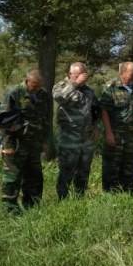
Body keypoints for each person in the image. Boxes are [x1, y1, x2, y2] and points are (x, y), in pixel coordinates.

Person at [0, 69, 51, 210]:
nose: (37, 88)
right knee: (12, 177)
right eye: (34, 85)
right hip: (16, 143)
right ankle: (9, 208)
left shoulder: (43, 95)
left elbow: (45, 118)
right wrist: (6, 145)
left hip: (34, 143)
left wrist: (45, 141)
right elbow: (3, 121)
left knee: (34, 176)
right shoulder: (14, 93)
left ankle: (32, 206)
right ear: (27, 81)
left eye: (39, 85)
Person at [53, 62, 100, 199]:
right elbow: (59, 97)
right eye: (79, 74)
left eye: (84, 74)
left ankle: (80, 198)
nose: (83, 77)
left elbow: (95, 109)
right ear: (70, 74)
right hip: (69, 138)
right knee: (66, 170)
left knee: (84, 170)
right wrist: (75, 84)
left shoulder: (88, 91)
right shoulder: (62, 86)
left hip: (86, 138)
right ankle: (63, 200)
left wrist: (96, 126)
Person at [100, 61, 133, 192]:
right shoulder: (111, 86)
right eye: (132, 73)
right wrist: (108, 132)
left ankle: (129, 191)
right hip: (116, 133)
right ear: (123, 72)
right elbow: (104, 110)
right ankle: (110, 193)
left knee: (131, 164)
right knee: (112, 164)